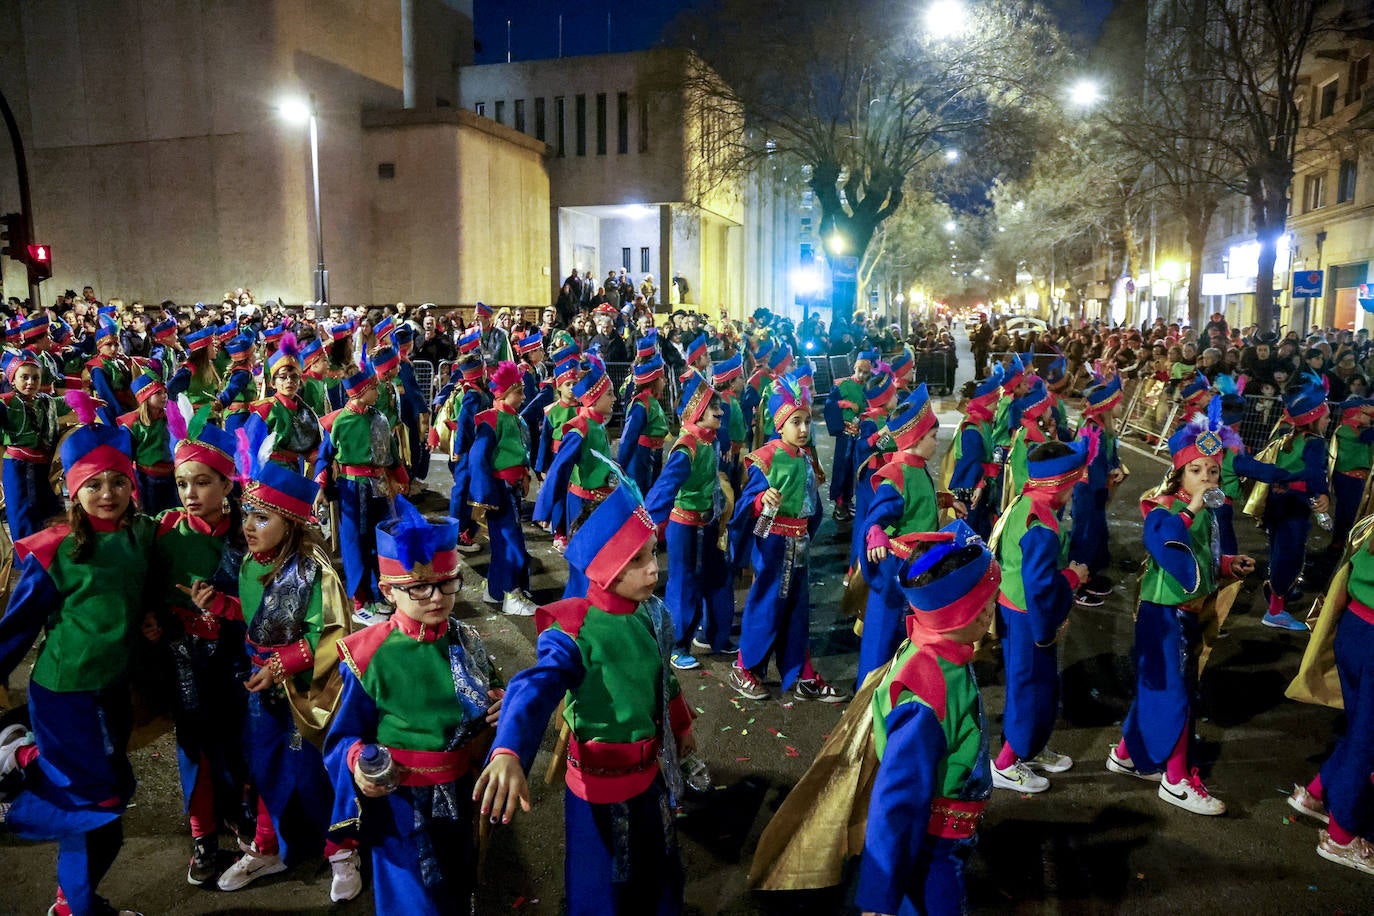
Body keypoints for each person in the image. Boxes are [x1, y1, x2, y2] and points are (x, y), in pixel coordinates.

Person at [474, 476, 697, 915]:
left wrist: (682, 726)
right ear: (604, 566)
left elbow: (663, 679)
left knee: (658, 872)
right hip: (599, 788)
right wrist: (508, 749)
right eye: (637, 559)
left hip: (650, 776)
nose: (654, 569)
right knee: (600, 889)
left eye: (653, 553)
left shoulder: (649, 614)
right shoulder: (575, 628)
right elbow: (536, 685)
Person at [0, 391, 154, 916]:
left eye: (118, 481)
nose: (107, 493)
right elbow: (15, 628)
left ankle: (72, 900)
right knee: (95, 809)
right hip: (66, 696)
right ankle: (75, 907)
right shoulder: (57, 550)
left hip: (111, 690)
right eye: (93, 483)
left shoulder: (139, 536)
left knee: (106, 798)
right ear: (72, 489)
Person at [200, 416, 359, 899]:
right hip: (262, 683)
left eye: (262, 518)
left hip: (310, 691)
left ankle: (342, 852)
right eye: (246, 515)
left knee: (316, 773)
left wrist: (280, 665)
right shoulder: (251, 563)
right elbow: (259, 617)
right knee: (265, 767)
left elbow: (332, 633)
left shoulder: (316, 571)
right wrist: (221, 604)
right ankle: (268, 847)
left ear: (290, 524)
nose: (248, 527)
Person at [324, 498, 504, 914]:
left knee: (457, 889)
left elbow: (492, 689)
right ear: (388, 590)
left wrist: (499, 703)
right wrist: (358, 763)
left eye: (448, 582)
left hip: (460, 792)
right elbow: (344, 736)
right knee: (411, 900)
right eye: (419, 587)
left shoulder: (465, 639)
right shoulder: (367, 656)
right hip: (399, 802)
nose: (436, 597)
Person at [1107, 409, 1256, 815]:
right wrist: (1192, 509)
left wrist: (1228, 565)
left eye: (1213, 470)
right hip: (1164, 616)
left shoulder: (1205, 511)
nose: (1207, 477)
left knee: (1159, 690)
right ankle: (1175, 781)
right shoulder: (1164, 508)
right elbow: (1166, 543)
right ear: (1178, 474)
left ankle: (1126, 755)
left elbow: (1199, 558)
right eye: (1196, 469)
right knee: (1177, 696)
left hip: (1183, 613)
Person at [856, 520, 1000, 916]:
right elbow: (896, 800)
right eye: (986, 603)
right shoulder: (926, 691)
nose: (992, 611)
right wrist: (879, 897)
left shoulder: (938, 648)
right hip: (933, 848)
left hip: (941, 837)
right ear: (963, 614)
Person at [152, 402, 251, 886]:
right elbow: (143, 583)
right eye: (182, 483)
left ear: (228, 484)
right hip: (183, 656)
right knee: (193, 745)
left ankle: (238, 812)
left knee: (236, 739)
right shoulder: (164, 530)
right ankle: (201, 831)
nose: (190, 494)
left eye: (203, 482)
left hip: (236, 655)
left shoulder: (250, 532)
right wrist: (153, 618)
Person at [728, 372, 847, 703]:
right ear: (779, 425)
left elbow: (812, 507)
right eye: (796, 422)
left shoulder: (805, 457)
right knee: (767, 607)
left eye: (807, 421)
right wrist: (760, 500)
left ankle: (802, 674)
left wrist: (808, 531)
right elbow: (745, 507)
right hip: (773, 547)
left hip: (800, 545)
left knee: (797, 612)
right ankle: (744, 667)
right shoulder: (766, 459)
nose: (804, 428)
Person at [990, 439, 1090, 794]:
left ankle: (1029, 749)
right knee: (1029, 689)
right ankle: (1005, 764)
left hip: (1017, 610)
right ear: (1059, 483)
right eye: (1073, 482)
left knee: (1040, 685)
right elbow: (1040, 587)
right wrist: (1073, 577)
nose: (1076, 489)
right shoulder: (1041, 528)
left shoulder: (1025, 501)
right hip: (1027, 617)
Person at [856, 384, 964, 688]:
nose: (937, 442)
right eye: (933, 437)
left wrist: (944, 500)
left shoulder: (916, 468)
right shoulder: (897, 474)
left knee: (906, 634)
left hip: (917, 565)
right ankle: (871, 695)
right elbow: (875, 518)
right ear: (916, 439)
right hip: (896, 570)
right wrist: (875, 533)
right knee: (884, 635)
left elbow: (915, 505)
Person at [644, 370, 734, 670]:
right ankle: (675, 645)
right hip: (686, 527)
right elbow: (665, 488)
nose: (720, 412)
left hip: (708, 523)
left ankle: (712, 635)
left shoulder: (709, 441)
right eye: (714, 408)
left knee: (715, 578)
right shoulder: (688, 447)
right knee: (684, 585)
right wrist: (645, 523)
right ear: (698, 412)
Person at [318, 359, 408, 621]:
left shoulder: (378, 417)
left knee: (381, 539)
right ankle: (361, 601)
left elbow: (391, 453)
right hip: (352, 489)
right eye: (373, 388)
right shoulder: (338, 422)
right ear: (360, 392)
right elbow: (324, 456)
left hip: (379, 486)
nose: (377, 392)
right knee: (355, 543)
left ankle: (379, 594)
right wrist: (321, 486)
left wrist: (401, 478)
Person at [534, 361, 619, 599]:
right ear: (594, 397)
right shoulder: (580, 426)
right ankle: (578, 604)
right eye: (609, 394)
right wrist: (545, 508)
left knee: (595, 559)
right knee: (583, 560)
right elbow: (559, 467)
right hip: (583, 505)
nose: (614, 399)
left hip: (597, 503)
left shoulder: (596, 423)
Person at [1253, 378, 1331, 632]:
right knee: (1290, 556)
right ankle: (1275, 611)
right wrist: (1322, 493)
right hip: (1294, 506)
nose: (1329, 421)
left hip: (1277, 503)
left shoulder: (1287, 437)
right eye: (1326, 417)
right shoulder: (1315, 442)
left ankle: (1277, 595)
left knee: (1279, 551)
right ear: (1313, 418)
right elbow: (1314, 473)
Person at [468, 361, 540, 617]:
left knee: (504, 541)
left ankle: (496, 590)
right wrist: (485, 494)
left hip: (511, 489)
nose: (523, 397)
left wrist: (524, 474)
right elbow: (478, 457)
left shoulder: (514, 418)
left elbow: (519, 451)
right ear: (504, 393)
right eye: (518, 392)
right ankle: (511, 593)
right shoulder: (492, 419)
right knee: (511, 543)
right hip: (499, 490)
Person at [1067, 368, 1126, 607]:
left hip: (1097, 489)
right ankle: (1077, 584)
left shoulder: (1104, 428)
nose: (1123, 406)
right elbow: (1092, 465)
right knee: (1086, 534)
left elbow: (1110, 456)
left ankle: (1090, 572)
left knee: (1097, 532)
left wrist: (1115, 465)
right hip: (1088, 491)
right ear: (1107, 406)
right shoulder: (1093, 430)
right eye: (1119, 402)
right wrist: (1111, 473)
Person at [0, 349, 69, 540]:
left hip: (45, 466)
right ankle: (29, 555)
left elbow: (62, 402)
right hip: (18, 468)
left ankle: (52, 550)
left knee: (51, 513)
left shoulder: (44, 401)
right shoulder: (7, 404)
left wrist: (84, 400)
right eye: (24, 377)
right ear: (13, 380)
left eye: (35, 378)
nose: (30, 382)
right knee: (25, 516)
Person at [945, 366, 1004, 541]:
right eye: (995, 403)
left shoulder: (983, 423)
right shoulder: (973, 427)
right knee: (971, 531)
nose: (997, 407)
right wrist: (978, 483)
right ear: (985, 403)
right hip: (972, 488)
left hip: (982, 483)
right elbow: (971, 460)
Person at [823, 349, 876, 521]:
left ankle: (847, 501)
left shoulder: (869, 387)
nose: (862, 375)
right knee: (842, 469)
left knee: (855, 470)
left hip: (861, 436)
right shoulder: (842, 385)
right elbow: (829, 404)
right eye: (859, 370)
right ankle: (839, 504)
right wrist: (845, 403)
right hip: (846, 435)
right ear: (854, 367)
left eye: (866, 372)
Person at [117, 371, 178, 515]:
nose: (164, 396)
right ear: (145, 396)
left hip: (171, 477)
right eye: (158, 393)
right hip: (146, 480)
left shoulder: (170, 417)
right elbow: (125, 461)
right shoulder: (132, 425)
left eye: (165, 392)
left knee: (172, 515)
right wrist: (133, 492)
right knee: (151, 516)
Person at [617, 355, 670, 495]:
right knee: (639, 494)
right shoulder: (641, 403)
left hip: (652, 455)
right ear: (653, 381)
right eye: (662, 377)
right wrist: (621, 465)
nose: (665, 380)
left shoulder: (652, 401)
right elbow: (628, 438)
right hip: (641, 457)